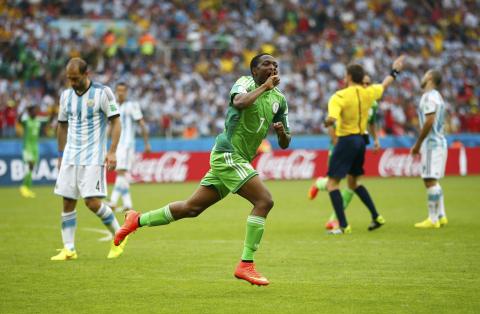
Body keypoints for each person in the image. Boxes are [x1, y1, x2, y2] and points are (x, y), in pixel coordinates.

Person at [114, 53, 291, 286]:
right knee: (264, 201)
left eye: (275, 65)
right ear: (254, 70)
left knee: (191, 208)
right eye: (266, 64)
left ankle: (137, 220)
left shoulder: (279, 98)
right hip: (228, 154)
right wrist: (265, 87)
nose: (273, 67)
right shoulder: (245, 83)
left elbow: (286, 142)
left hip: (238, 159)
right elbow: (239, 102)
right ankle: (246, 264)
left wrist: (280, 133)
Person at [52, 57, 127, 260]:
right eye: (69, 79)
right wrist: (60, 154)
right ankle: (69, 249)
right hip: (70, 156)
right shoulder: (66, 96)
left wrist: (112, 152)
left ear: (87, 74)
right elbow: (62, 125)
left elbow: (116, 122)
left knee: (92, 202)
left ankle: (119, 236)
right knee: (67, 202)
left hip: (93, 156)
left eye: (75, 78)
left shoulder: (102, 93)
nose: (72, 83)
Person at [323, 56, 405, 234]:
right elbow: (384, 84)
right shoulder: (370, 93)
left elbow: (332, 119)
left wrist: (326, 121)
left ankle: (343, 226)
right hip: (361, 141)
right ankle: (376, 216)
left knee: (332, 184)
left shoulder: (339, 96)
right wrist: (395, 71)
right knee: (353, 183)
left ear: (349, 77)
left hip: (346, 140)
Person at [308, 75, 381, 230]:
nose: (366, 86)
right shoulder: (344, 97)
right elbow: (331, 124)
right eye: (364, 83)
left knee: (351, 185)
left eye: (369, 83)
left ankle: (335, 220)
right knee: (334, 183)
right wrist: (337, 144)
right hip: (341, 146)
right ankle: (319, 184)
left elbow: (372, 123)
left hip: (356, 145)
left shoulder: (371, 103)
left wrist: (376, 140)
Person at [411, 69, 448, 228]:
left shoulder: (428, 96)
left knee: (429, 180)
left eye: (425, 74)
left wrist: (418, 144)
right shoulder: (438, 96)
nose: (423, 76)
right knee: (434, 179)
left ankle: (432, 219)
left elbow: (429, 121)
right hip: (439, 141)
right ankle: (441, 215)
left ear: (430, 78)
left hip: (432, 144)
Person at [108, 82, 151, 211]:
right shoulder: (113, 106)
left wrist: (146, 143)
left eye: (123, 90)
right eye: (118, 90)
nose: (120, 93)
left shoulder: (132, 106)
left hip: (127, 144)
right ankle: (128, 204)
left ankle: (113, 201)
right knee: (120, 173)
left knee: (121, 171)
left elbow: (142, 124)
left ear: (126, 92)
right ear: (116, 91)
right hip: (116, 144)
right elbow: (111, 126)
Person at [19, 105, 48, 198]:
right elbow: (19, 119)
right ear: (30, 112)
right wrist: (24, 109)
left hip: (35, 147)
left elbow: (48, 119)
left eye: (36, 111)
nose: (36, 112)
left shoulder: (39, 121)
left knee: (32, 168)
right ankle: (24, 186)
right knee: (30, 164)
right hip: (27, 147)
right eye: (34, 111)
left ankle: (27, 188)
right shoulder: (26, 120)